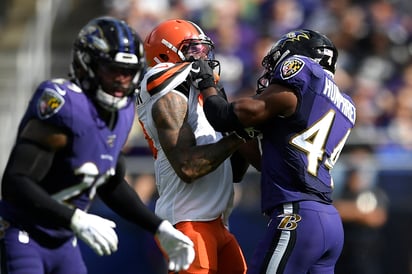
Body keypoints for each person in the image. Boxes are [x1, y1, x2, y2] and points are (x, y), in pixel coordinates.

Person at [0, 16, 194, 274]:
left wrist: (158, 227)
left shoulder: (124, 111)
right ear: (86, 65)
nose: (121, 80)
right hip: (22, 232)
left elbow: (109, 181)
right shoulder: (65, 105)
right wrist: (75, 218)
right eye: (112, 70)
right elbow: (16, 182)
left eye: (128, 73)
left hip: (63, 241)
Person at [191, 29, 356, 273]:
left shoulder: (302, 71)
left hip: (297, 214)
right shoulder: (345, 104)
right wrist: (242, 133)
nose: (270, 73)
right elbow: (266, 162)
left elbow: (226, 117)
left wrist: (208, 85)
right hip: (329, 221)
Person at [136, 19, 248, 273]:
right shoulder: (164, 92)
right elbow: (188, 167)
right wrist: (240, 136)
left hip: (218, 221)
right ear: (166, 53)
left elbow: (236, 172)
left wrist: (247, 130)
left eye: (204, 50)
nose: (203, 57)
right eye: (193, 50)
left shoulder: (203, 96)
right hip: (189, 221)